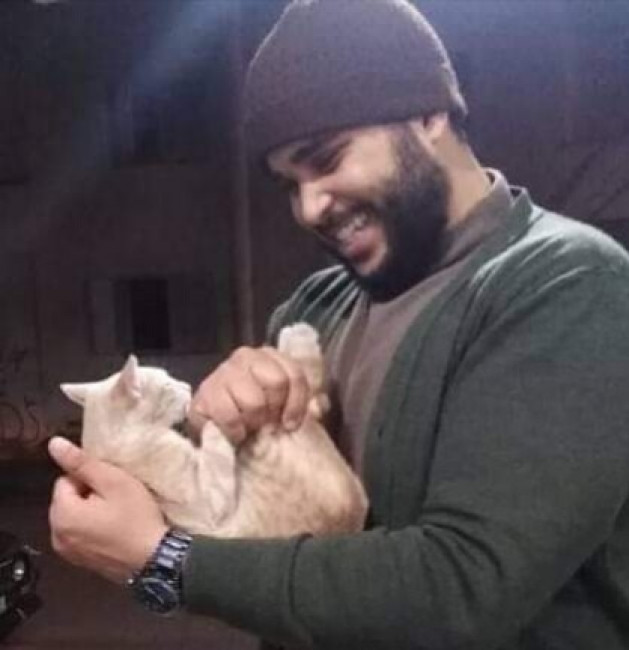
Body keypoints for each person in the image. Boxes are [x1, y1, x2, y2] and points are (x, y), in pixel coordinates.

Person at [48, 1, 629, 648]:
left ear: (429, 114)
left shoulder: (567, 286)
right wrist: (204, 432)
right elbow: (266, 552)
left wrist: (167, 563)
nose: (308, 207)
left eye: (326, 160)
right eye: (287, 184)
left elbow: (463, 589)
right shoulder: (314, 309)